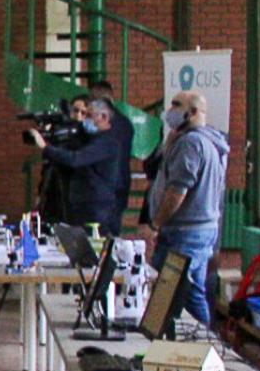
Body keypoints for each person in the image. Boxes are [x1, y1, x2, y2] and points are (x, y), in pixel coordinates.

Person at [146, 89, 228, 326]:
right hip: (200, 230)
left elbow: (177, 192)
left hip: (185, 233)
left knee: (172, 293)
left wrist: (156, 224)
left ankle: (199, 342)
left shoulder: (191, 143)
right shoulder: (208, 141)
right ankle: (202, 341)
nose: (170, 110)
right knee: (192, 293)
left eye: (176, 105)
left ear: (192, 112)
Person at [27, 100, 123, 234]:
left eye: (89, 115)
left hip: (96, 209)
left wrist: (46, 147)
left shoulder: (107, 142)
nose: (84, 119)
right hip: (81, 205)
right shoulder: (90, 139)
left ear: (104, 117)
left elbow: (75, 159)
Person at [88, 78, 139, 233]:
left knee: (97, 234)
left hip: (101, 187)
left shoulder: (101, 124)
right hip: (121, 184)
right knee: (113, 231)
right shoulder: (125, 123)